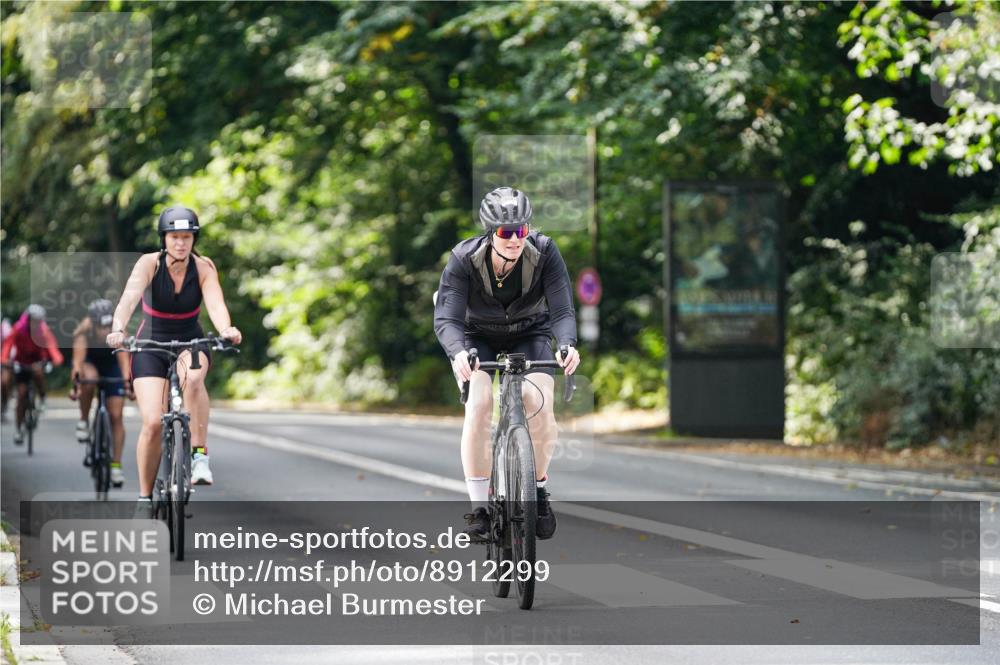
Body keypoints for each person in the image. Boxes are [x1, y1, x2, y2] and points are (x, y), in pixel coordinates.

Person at [433, 187, 580, 542]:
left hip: (530, 332)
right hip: (475, 336)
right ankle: (480, 510)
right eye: (505, 232)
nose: (515, 239)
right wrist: (457, 354)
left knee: (539, 405)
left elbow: (561, 310)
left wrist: (566, 345)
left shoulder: (545, 252)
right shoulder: (464, 258)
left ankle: (539, 490)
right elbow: (447, 319)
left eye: (521, 230)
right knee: (480, 404)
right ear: (491, 232)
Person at [105, 207, 242, 516]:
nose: (181, 243)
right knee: (153, 422)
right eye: (175, 237)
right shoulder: (149, 264)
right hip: (150, 343)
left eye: (187, 237)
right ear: (164, 238)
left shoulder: (204, 267)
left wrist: (226, 329)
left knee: (194, 378)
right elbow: (128, 299)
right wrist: (118, 329)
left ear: (194, 239)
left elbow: (216, 303)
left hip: (190, 340)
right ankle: (144, 498)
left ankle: (199, 456)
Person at [69, 299, 134, 487]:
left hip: (112, 366)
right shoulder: (83, 333)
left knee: (116, 415)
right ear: (93, 324)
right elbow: (77, 365)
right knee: (89, 378)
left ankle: (115, 465)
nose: (105, 331)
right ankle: (83, 420)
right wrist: (76, 386)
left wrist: (128, 385)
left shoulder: (118, 332)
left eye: (108, 326)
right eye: (101, 327)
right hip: (91, 364)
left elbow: (124, 364)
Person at [0, 305, 65, 444]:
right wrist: (5, 359)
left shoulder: (43, 331)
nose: (35, 323)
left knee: (38, 372)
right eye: (32, 320)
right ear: (28, 320)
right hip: (21, 363)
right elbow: (7, 345)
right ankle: (18, 430)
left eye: (38, 320)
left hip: (37, 362)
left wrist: (56, 359)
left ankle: (42, 397)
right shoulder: (18, 329)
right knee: (21, 395)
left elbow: (52, 348)